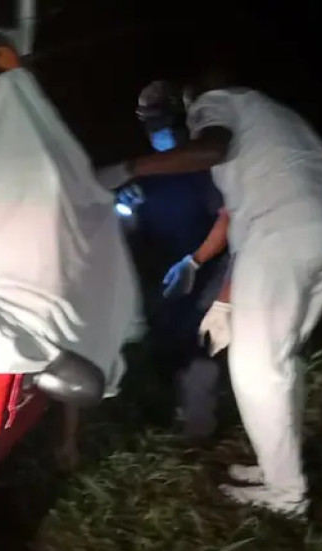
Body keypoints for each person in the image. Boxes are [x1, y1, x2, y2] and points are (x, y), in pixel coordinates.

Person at [98, 69, 322, 516]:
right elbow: (237, 218)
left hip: (284, 231)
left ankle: (286, 495)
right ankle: (278, 468)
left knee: (256, 369)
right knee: (282, 358)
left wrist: (128, 167)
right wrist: (212, 285)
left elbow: (213, 150)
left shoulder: (215, 102)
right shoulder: (271, 117)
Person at [118, 80, 231, 443]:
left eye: (164, 121)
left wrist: (197, 263)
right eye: (151, 123)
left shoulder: (206, 168)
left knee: (198, 344)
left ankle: (199, 431)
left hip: (205, 268)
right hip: (162, 274)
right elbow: (132, 227)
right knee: (165, 345)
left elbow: (227, 218)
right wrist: (127, 208)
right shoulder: (148, 171)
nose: (159, 131)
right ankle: (175, 416)